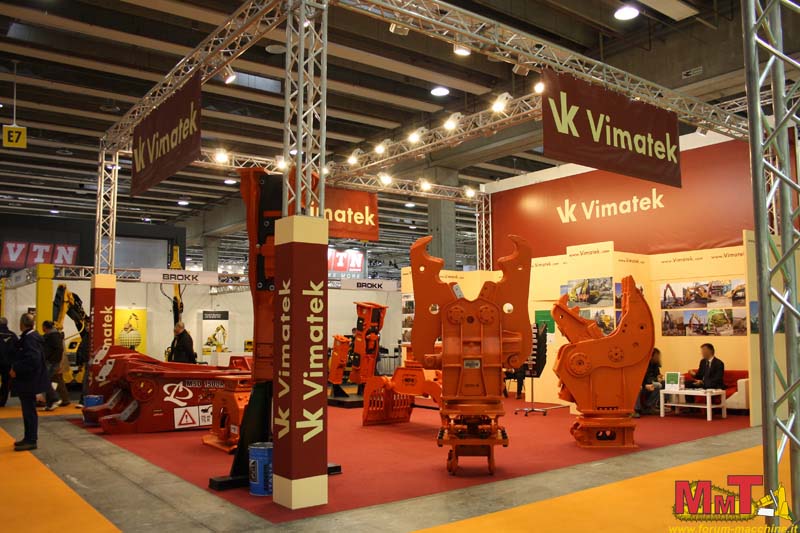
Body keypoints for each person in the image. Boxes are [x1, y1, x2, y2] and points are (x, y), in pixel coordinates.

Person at [10, 313, 50, 451]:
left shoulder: (30, 339)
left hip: (29, 381)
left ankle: (31, 440)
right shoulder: (32, 337)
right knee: (28, 411)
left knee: (29, 411)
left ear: (22, 324)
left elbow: (33, 359)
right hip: (31, 380)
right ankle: (28, 438)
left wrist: (16, 368)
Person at [42, 321, 70, 409]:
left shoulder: (53, 336)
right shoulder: (56, 335)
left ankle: (53, 399)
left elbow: (58, 350)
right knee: (57, 380)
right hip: (56, 362)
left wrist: (56, 362)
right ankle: (62, 399)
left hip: (53, 362)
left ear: (45, 327)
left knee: (47, 380)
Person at [634, 348, 663, 417]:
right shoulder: (643, 364)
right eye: (657, 356)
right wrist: (645, 385)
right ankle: (636, 410)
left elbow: (657, 375)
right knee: (638, 388)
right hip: (641, 383)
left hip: (649, 382)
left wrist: (658, 378)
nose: (658, 357)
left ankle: (649, 406)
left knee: (661, 384)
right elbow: (639, 377)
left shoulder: (655, 364)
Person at [0, 317, 18, 407]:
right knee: (5, 382)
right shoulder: (13, 335)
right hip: (8, 364)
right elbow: (18, 350)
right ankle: (2, 401)